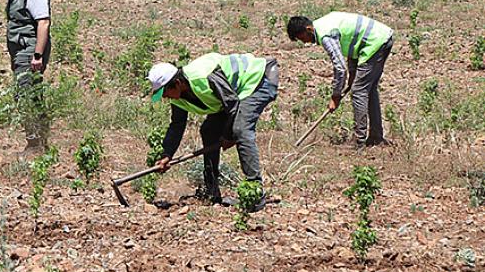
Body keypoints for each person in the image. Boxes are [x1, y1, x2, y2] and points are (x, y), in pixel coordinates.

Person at [148, 52, 279, 210]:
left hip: (259, 79)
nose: (165, 98)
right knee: (209, 131)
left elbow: (232, 103)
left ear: (177, 83)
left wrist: (228, 136)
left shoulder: (205, 77)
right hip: (232, 95)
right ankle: (211, 191)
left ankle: (255, 194)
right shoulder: (179, 96)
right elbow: (177, 125)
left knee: (241, 130)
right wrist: (166, 154)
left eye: (166, 93)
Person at [287, 12, 393, 149]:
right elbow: (352, 45)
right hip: (381, 37)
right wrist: (353, 74)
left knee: (359, 91)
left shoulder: (326, 35)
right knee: (368, 89)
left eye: (303, 38)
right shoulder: (322, 24)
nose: (305, 42)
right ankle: (376, 138)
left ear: (308, 29)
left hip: (376, 42)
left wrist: (335, 96)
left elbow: (340, 68)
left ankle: (359, 141)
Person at [2, 0, 51, 153]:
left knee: (25, 95)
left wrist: (37, 55)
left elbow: (43, 23)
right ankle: (42, 140)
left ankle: (34, 144)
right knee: (33, 94)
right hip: (20, 50)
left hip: (29, 50)